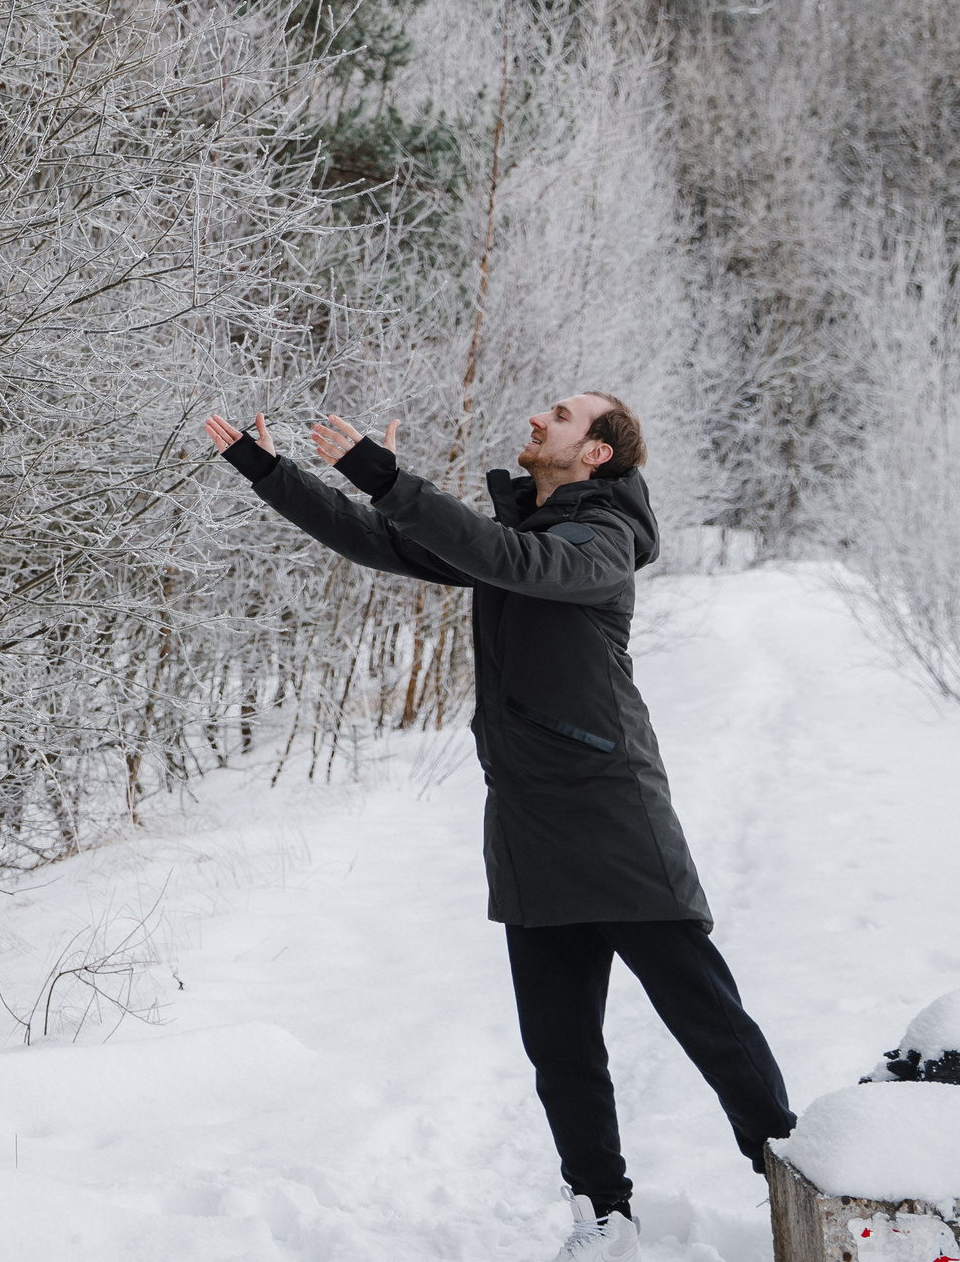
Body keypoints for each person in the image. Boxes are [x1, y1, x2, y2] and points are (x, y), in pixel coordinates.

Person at [202, 395, 793, 1261]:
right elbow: (386, 542)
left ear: (595, 452)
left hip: (615, 819)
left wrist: (386, 475)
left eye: (559, 414)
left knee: (708, 1021)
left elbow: (507, 556)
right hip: (526, 826)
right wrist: (272, 472)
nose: (537, 418)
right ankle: (603, 1213)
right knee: (559, 1049)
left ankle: (796, 1180)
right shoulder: (529, 533)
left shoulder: (601, 542)